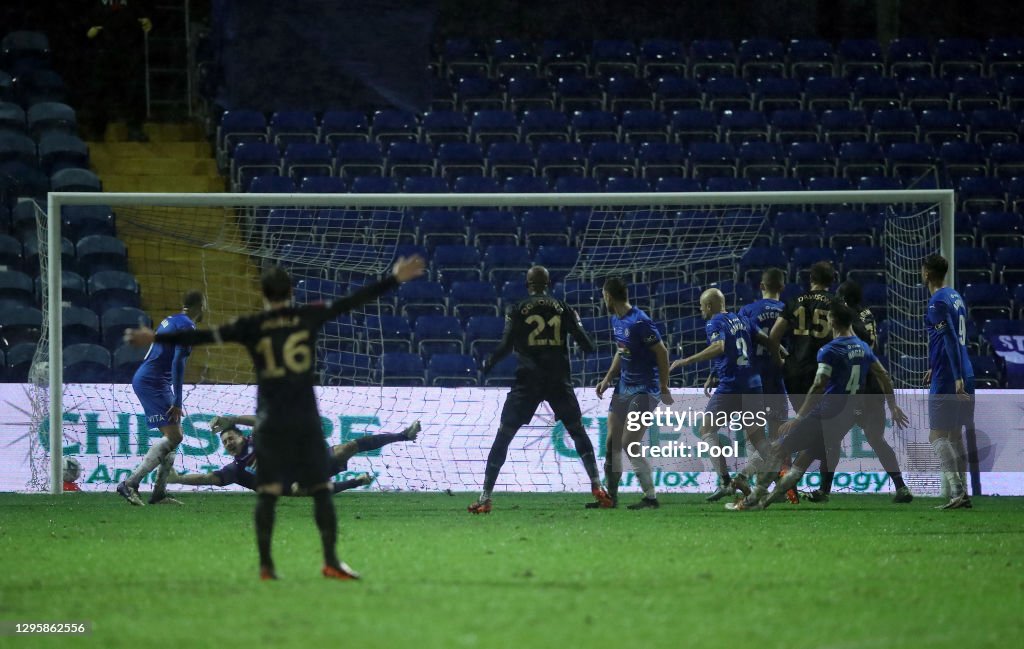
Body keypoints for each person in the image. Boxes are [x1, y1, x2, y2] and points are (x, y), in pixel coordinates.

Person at [124, 256, 426, 580]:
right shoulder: (308, 315)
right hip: (304, 419)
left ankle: (267, 566)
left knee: (267, 493)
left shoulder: (252, 326)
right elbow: (353, 301)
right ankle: (331, 561)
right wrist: (394, 278)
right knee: (322, 489)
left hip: (269, 422)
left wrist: (155, 338)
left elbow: (204, 336)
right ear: (291, 292)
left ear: (264, 295)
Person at [729, 300, 909, 510]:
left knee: (778, 449)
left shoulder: (830, 350)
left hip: (826, 412)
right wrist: (893, 405)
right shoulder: (864, 348)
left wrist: (798, 417)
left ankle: (751, 500)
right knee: (802, 461)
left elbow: (818, 386)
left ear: (832, 320)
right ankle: (766, 502)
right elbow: (884, 375)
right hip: (846, 417)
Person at [470, 266, 613, 513]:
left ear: (528, 284)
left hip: (528, 380)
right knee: (577, 432)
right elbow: (587, 345)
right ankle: (598, 488)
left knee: (504, 435)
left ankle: (485, 497)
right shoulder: (563, 307)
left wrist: (489, 363)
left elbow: (505, 346)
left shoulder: (517, 310)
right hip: (558, 379)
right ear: (548, 283)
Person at [815, 279, 912, 504]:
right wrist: (892, 404)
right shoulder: (868, 315)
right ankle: (901, 487)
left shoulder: (848, 325)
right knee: (876, 439)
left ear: (844, 300)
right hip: (873, 388)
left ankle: (824, 490)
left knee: (831, 439)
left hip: (852, 389)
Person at [671, 288, 771, 502]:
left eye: (701, 305)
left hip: (732, 386)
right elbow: (761, 339)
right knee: (757, 439)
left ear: (709, 306)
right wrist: (781, 352)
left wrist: (686, 361)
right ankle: (752, 476)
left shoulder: (714, 322)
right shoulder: (742, 319)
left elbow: (720, 346)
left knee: (706, 429)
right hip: (753, 384)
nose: (700, 309)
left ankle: (726, 483)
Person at [117, 290, 205, 507]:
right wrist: (178, 401)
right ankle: (130, 483)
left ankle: (158, 493)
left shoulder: (172, 320)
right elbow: (178, 362)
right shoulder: (187, 327)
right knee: (175, 436)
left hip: (154, 379)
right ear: (199, 306)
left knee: (175, 437)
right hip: (152, 382)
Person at [166, 421, 421, 494]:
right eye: (224, 442)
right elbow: (209, 478)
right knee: (300, 489)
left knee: (347, 447)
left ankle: (403, 436)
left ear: (242, 437)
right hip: (288, 484)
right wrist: (177, 479)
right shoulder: (238, 468)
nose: (228, 442)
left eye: (231, 437)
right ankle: (356, 482)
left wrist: (233, 419)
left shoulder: (258, 438)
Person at [594, 277, 672, 510]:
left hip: (645, 389)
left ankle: (650, 497)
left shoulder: (640, 321)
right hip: (623, 387)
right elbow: (621, 350)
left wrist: (664, 386)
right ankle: (611, 498)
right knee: (610, 443)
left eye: (603, 296)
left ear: (608, 296)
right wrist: (608, 378)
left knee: (629, 442)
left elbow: (662, 352)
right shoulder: (616, 320)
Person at [768, 261, 838, 492]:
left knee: (811, 430)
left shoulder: (794, 301)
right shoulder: (837, 304)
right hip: (820, 374)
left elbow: (774, 335)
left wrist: (780, 361)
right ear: (832, 279)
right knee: (819, 432)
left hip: (794, 372)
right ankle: (781, 479)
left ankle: (786, 479)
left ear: (810, 278)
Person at [921, 254, 976, 510]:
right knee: (955, 435)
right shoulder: (955, 296)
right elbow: (944, 338)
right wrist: (933, 364)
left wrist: (954, 378)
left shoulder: (936, 302)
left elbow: (950, 338)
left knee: (936, 435)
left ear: (927, 274)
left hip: (949, 376)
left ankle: (957, 492)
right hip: (965, 369)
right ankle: (963, 492)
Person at [81, 0, 153, 141]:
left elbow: (144, 16)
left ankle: (134, 129)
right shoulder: (96, 4)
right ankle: (97, 131)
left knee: (133, 90)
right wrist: (88, 30)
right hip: (102, 51)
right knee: (100, 91)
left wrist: (146, 21)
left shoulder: (131, 4)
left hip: (128, 50)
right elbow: (85, 23)